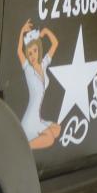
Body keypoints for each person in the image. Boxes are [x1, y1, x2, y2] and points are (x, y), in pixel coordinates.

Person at [17, 18, 60, 149]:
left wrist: (45, 31)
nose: (32, 55)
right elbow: (19, 52)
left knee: (57, 129)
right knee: (50, 139)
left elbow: (55, 43)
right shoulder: (28, 70)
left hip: (38, 117)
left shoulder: (43, 64)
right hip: (30, 119)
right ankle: (24, 147)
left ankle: (28, 142)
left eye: (34, 51)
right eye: (29, 53)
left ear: (39, 50)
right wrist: (21, 32)